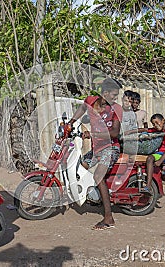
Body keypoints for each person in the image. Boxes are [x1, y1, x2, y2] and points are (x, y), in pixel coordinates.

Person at [67, 78, 122, 230]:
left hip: (111, 148)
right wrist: (70, 122)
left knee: (98, 176)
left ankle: (109, 218)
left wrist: (93, 134)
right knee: (82, 165)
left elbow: (115, 132)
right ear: (104, 93)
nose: (115, 98)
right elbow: (81, 110)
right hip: (97, 149)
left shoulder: (116, 109)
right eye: (113, 95)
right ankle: (93, 196)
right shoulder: (91, 101)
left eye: (116, 95)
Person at [142, 113, 165, 193]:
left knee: (150, 158)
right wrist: (131, 131)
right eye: (154, 124)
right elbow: (147, 130)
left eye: (157, 122)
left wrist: (160, 161)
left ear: (163, 120)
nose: (155, 125)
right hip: (160, 153)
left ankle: (148, 186)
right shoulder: (159, 130)